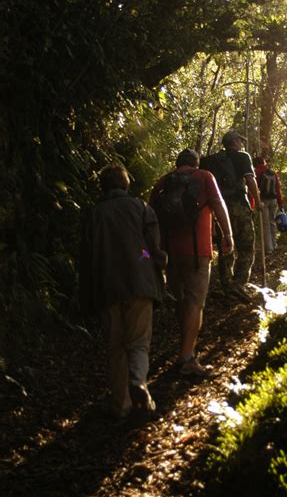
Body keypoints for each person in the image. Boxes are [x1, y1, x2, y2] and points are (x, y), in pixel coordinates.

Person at [79, 164, 167, 421]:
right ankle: (139, 383)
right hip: (140, 283)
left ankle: (122, 404)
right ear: (126, 183)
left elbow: (85, 258)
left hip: (106, 287)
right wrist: (152, 259)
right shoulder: (140, 208)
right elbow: (150, 247)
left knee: (115, 345)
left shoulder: (93, 215)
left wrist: (84, 297)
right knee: (139, 342)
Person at [149, 148, 234, 379]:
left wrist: (152, 254)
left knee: (181, 300)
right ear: (195, 163)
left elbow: (151, 218)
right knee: (196, 302)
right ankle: (186, 357)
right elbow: (218, 205)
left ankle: (187, 348)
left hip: (170, 252)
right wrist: (228, 236)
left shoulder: (163, 182)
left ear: (177, 164)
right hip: (198, 251)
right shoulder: (205, 177)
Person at [202, 130, 263, 303]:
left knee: (225, 247)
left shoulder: (212, 161)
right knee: (246, 246)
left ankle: (228, 286)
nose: (242, 143)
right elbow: (250, 180)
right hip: (238, 206)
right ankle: (239, 283)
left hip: (219, 209)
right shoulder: (243, 157)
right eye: (240, 140)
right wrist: (258, 202)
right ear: (234, 142)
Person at [253, 155, 284, 254]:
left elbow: (253, 188)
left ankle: (269, 248)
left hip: (263, 200)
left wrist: (255, 202)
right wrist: (280, 204)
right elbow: (278, 189)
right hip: (274, 200)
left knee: (265, 223)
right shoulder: (272, 173)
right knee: (272, 222)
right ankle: (274, 245)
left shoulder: (256, 172)